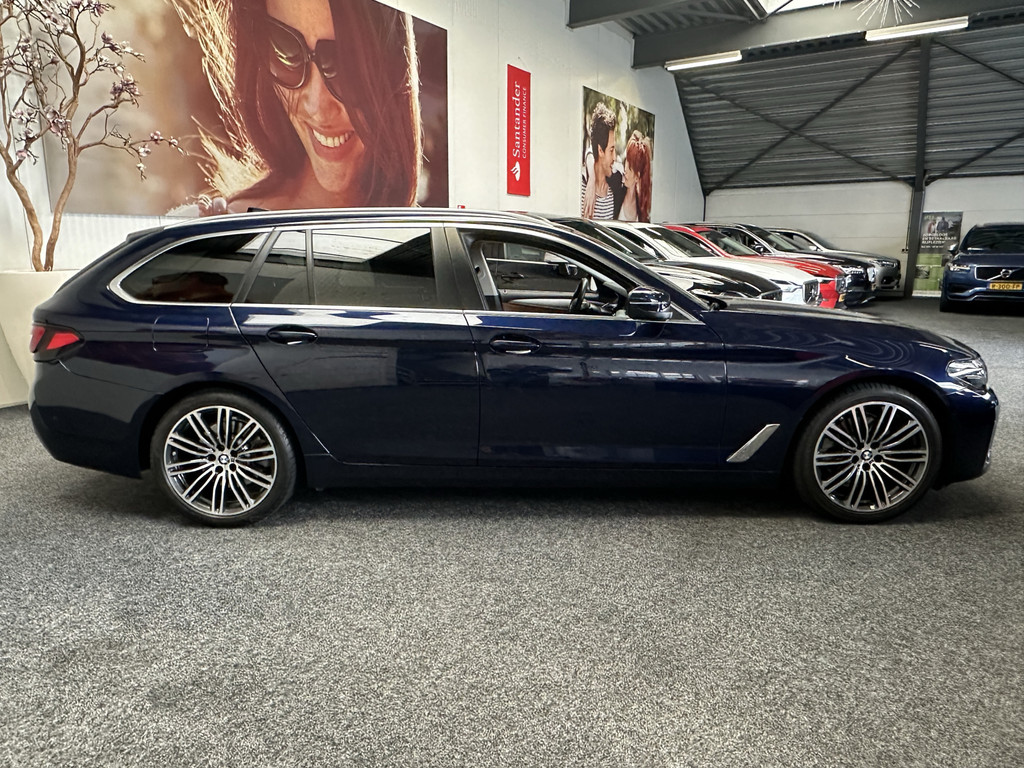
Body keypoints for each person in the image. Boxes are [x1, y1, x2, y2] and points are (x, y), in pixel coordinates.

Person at [174, 0, 422, 214]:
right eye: (286, 50)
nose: (316, 105)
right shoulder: (201, 237)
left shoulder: (431, 246)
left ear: (395, 66)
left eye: (346, 65)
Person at [580, 102, 625, 220]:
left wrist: (592, 178)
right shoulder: (581, 188)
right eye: (611, 150)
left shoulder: (616, 185)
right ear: (600, 150)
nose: (614, 157)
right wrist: (591, 179)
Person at [618, 130, 652, 223]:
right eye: (626, 161)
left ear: (637, 177)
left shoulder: (641, 209)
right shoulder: (616, 188)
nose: (625, 169)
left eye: (630, 167)